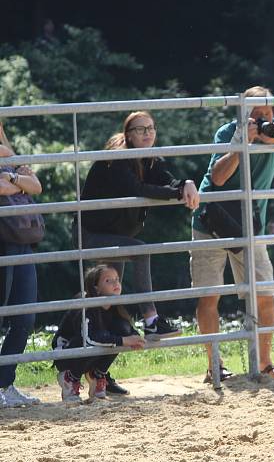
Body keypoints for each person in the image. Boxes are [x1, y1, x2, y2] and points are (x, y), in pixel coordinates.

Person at [191, 86, 274, 383]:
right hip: (210, 221)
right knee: (209, 295)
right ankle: (214, 366)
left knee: (265, 296)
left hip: (251, 227)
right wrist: (243, 142)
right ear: (242, 113)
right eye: (257, 114)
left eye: (268, 112)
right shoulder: (227, 132)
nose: (264, 118)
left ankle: (264, 363)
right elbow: (218, 177)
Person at [75, 111, 199, 392]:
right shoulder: (117, 159)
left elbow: (166, 181)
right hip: (92, 234)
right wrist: (178, 194)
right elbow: (140, 189)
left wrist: (186, 184)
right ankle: (152, 320)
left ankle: (98, 372)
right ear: (128, 134)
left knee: (114, 303)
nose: (148, 133)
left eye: (152, 128)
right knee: (138, 256)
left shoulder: (150, 159)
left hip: (116, 236)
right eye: (141, 129)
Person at [53, 265, 145, 404]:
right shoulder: (86, 304)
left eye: (117, 279)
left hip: (92, 348)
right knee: (102, 338)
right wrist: (124, 340)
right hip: (67, 355)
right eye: (109, 281)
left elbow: (126, 330)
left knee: (122, 331)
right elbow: (90, 338)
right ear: (96, 287)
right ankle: (70, 377)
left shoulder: (115, 305)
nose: (116, 284)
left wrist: (135, 338)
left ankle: (97, 374)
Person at [0, 122, 42, 408]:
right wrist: (17, 180)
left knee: (25, 316)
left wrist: (12, 179)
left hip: (20, 238)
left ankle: (5, 382)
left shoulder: (7, 153)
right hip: (3, 239)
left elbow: (35, 185)